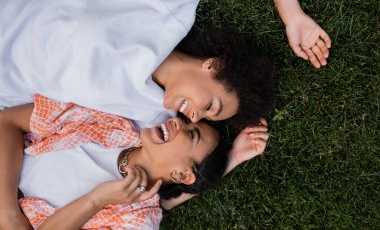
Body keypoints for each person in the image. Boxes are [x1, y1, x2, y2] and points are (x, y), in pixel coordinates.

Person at [0, 0, 329, 125]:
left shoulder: (151, 115)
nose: (195, 116)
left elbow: (158, 183)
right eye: (210, 106)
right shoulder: (170, 5)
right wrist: (292, 15)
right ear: (213, 65)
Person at [0, 95, 269, 229]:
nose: (176, 121)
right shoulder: (109, 121)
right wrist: (9, 213)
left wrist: (97, 200)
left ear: (183, 174)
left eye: (189, 134)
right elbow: (7, 120)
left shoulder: (136, 221)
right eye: (187, 122)